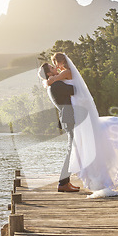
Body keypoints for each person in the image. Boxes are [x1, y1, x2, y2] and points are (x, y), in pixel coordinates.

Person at [44, 52, 118, 198]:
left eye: (55, 63)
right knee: (78, 146)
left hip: (76, 114)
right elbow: (66, 87)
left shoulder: (65, 74)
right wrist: (48, 80)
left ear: (61, 62)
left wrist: (47, 80)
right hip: (74, 115)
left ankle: (69, 180)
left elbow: (57, 83)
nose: (55, 67)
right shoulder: (61, 79)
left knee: (80, 145)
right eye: (52, 66)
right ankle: (66, 181)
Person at [38, 63, 80, 192]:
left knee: (73, 151)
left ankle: (66, 182)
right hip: (70, 120)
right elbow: (76, 89)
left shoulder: (54, 84)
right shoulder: (57, 85)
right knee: (71, 152)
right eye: (52, 68)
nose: (55, 67)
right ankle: (63, 183)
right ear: (49, 74)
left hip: (68, 120)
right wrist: (64, 75)